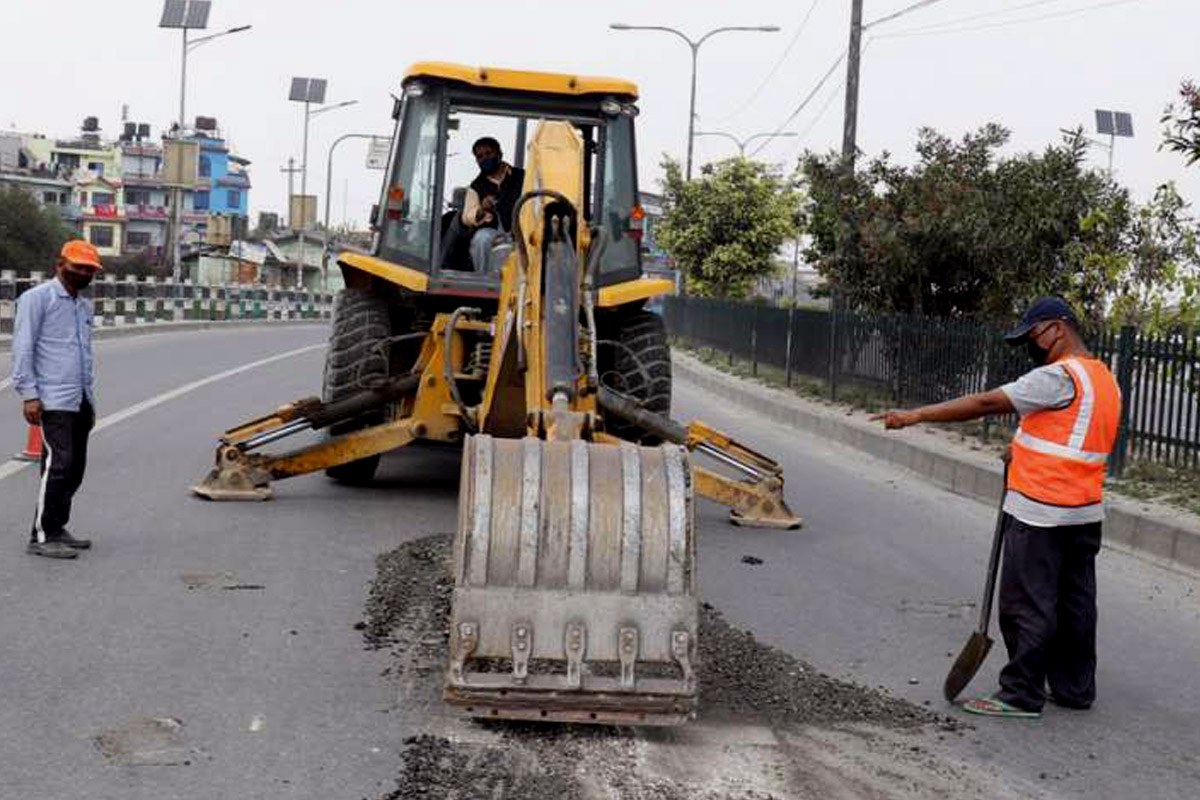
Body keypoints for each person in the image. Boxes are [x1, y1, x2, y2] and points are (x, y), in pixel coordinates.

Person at [871, 297, 1121, 718]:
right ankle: (1075, 688)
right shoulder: (1103, 379)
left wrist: (915, 416)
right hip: (1083, 512)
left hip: (1040, 510)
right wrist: (1019, 447)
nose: (1030, 345)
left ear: (1057, 329)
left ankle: (1021, 693)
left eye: (1032, 336)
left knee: (1027, 601)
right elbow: (1070, 433)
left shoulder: (1058, 376)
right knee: (1075, 603)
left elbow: (987, 403)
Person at [11, 240, 103, 559]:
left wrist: (89, 400)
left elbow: (83, 354)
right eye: (78, 267)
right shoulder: (37, 299)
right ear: (60, 264)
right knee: (58, 465)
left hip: (79, 398)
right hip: (52, 399)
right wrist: (29, 395)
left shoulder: (82, 306)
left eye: (89, 269)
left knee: (75, 467)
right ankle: (41, 536)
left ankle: (57, 526)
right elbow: (23, 347)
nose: (84, 273)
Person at [461, 136, 525, 272]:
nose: (484, 158)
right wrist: (481, 209)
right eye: (480, 156)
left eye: (488, 153)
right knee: (482, 238)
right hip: (495, 233)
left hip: (523, 231)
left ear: (499, 154)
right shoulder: (475, 187)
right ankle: (483, 281)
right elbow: (467, 217)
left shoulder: (522, 177)